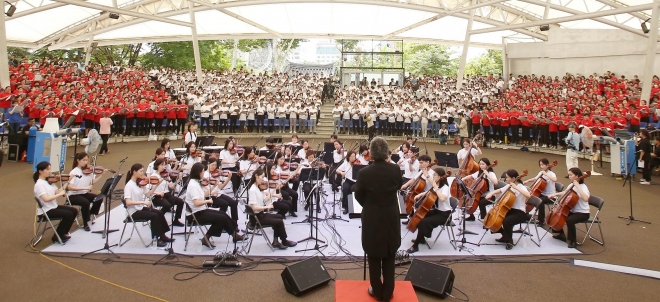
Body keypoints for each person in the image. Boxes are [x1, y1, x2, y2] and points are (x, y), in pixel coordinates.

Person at [354, 137, 402, 302]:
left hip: (372, 218)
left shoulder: (364, 172)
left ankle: (377, 290)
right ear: (386, 152)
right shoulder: (395, 170)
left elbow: (358, 195)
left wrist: (369, 205)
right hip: (390, 216)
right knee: (389, 256)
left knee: (373, 255)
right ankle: (388, 293)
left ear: (372, 153)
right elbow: (398, 186)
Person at [185, 163, 244, 248]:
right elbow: (196, 203)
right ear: (197, 173)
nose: (203, 174)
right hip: (195, 214)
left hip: (200, 210)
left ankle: (234, 234)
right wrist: (208, 201)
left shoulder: (196, 182)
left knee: (223, 214)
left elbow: (203, 194)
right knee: (221, 218)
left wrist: (214, 187)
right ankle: (207, 238)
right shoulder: (193, 185)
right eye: (202, 172)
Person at [123, 163, 173, 248]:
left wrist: (156, 185)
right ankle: (155, 239)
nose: (142, 173)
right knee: (154, 216)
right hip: (133, 212)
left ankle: (162, 236)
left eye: (143, 171)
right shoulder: (129, 185)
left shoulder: (140, 183)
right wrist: (143, 203)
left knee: (159, 213)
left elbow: (148, 194)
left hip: (140, 208)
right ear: (134, 172)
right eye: (141, 171)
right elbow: (128, 202)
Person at [247, 168, 297, 249]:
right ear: (256, 176)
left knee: (280, 217)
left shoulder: (258, 188)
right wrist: (267, 207)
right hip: (256, 218)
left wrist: (274, 189)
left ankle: (276, 241)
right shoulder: (253, 190)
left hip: (260, 215)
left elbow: (265, 199)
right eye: (262, 177)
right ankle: (284, 240)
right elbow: (254, 207)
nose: (263, 179)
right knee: (279, 222)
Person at [406, 167, 451, 253]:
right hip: (437, 211)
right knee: (421, 216)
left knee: (424, 222)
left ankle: (415, 246)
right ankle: (422, 238)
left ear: (440, 177)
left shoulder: (445, 188)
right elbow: (431, 192)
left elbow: (442, 198)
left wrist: (435, 187)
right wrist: (421, 194)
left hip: (444, 215)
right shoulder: (436, 185)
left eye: (435, 175)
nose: (433, 176)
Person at [483, 169, 531, 249]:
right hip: (510, 209)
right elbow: (500, 190)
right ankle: (505, 235)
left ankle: (509, 240)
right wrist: (491, 193)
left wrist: (516, 187)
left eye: (507, 178)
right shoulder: (509, 185)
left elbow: (528, 195)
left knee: (507, 221)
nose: (506, 179)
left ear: (513, 178)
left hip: (520, 212)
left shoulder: (521, 187)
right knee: (493, 219)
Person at [33, 161, 79, 243]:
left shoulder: (49, 182)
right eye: (47, 169)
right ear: (40, 171)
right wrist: (60, 194)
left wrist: (68, 181)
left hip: (53, 207)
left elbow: (58, 191)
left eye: (50, 169)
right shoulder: (39, 184)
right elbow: (46, 199)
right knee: (68, 214)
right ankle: (57, 236)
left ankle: (63, 233)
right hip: (46, 210)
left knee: (74, 211)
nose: (49, 171)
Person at [547, 167, 590, 248]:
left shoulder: (583, 187)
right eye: (569, 175)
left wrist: (577, 186)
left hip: (583, 213)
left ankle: (573, 241)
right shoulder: (571, 185)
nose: (569, 176)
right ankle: (561, 234)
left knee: (569, 220)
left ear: (577, 176)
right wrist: (555, 194)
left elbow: (586, 198)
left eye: (571, 175)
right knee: (556, 215)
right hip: (573, 210)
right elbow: (565, 192)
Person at [66, 152, 105, 231]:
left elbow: (92, 182)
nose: (85, 162)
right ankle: (85, 223)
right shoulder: (74, 172)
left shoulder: (88, 171)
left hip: (83, 193)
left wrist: (102, 175)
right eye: (83, 160)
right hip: (73, 195)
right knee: (85, 202)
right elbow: (69, 187)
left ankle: (90, 213)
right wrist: (85, 187)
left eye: (86, 160)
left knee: (99, 198)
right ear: (78, 160)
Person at [150, 158, 185, 226]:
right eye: (162, 165)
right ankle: (158, 218)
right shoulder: (153, 176)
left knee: (180, 202)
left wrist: (178, 180)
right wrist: (158, 193)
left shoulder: (165, 175)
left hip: (167, 195)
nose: (164, 167)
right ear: (157, 166)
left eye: (165, 165)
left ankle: (176, 220)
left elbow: (171, 186)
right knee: (168, 205)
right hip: (157, 197)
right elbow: (149, 190)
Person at [522, 158, 557, 225]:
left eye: (543, 165)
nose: (541, 166)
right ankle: (526, 214)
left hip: (551, 196)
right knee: (531, 197)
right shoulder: (541, 172)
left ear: (547, 165)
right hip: (543, 193)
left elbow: (555, 179)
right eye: (540, 165)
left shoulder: (551, 173)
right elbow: (535, 178)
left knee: (540, 201)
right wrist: (527, 181)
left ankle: (541, 220)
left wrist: (546, 174)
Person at [205, 158, 239, 222]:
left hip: (219, 194)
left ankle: (234, 223)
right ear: (208, 164)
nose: (214, 167)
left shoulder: (216, 174)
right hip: (210, 196)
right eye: (212, 165)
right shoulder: (205, 175)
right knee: (224, 204)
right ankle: (221, 222)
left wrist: (228, 178)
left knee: (233, 203)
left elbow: (220, 187)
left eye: (215, 165)